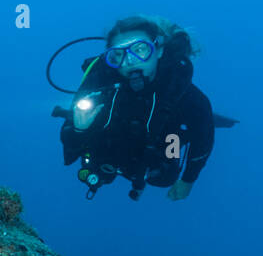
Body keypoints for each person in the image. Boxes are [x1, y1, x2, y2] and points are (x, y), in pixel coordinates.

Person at [57, 16, 216, 201]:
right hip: (113, 152)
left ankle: (177, 138)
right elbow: (69, 155)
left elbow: (204, 138)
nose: (130, 61)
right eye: (119, 54)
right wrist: (79, 129)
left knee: (164, 176)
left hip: (163, 142)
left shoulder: (183, 93)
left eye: (140, 49)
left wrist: (188, 180)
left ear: (158, 50)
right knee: (99, 168)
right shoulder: (98, 83)